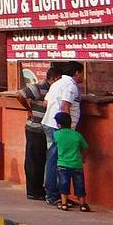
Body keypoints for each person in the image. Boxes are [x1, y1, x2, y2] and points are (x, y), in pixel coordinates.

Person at [41, 61, 84, 206]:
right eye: (81, 73)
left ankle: (57, 194)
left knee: (54, 159)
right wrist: (65, 130)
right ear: (77, 73)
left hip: (49, 122)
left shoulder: (56, 83)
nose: (82, 76)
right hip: (59, 126)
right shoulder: (71, 85)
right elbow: (65, 106)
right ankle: (53, 195)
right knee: (56, 161)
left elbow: (45, 104)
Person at [17, 64, 62, 200]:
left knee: (43, 159)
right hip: (35, 128)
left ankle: (41, 189)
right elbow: (20, 95)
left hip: (46, 128)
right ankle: (33, 191)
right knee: (34, 160)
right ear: (52, 78)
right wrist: (29, 109)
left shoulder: (55, 89)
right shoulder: (39, 87)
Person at [53, 111, 90, 212]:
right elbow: (86, 147)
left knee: (63, 184)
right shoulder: (77, 135)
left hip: (62, 164)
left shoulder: (56, 134)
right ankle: (83, 204)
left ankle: (64, 203)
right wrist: (83, 157)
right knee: (79, 185)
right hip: (76, 164)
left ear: (59, 124)